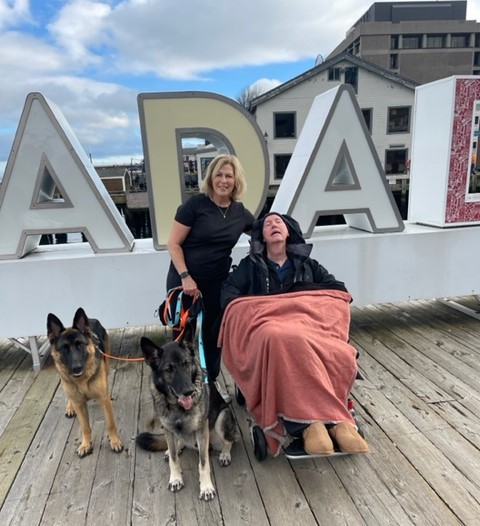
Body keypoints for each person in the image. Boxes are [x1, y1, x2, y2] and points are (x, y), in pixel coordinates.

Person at [219, 212, 369, 457]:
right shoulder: (249, 267)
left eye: (279, 222)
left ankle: (336, 422)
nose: (274, 225)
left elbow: (338, 292)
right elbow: (229, 297)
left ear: (289, 232)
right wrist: (257, 312)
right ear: (262, 237)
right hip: (269, 331)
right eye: (268, 224)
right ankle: (303, 426)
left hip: (308, 328)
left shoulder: (309, 266)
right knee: (278, 337)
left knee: (331, 349)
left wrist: (305, 303)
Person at [166, 154, 255, 383]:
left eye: (228, 175)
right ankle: (180, 384)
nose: (223, 180)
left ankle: (210, 381)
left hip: (217, 282)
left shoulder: (240, 212)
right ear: (210, 178)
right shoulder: (195, 205)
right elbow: (173, 244)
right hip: (184, 279)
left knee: (213, 334)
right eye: (219, 174)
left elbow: (263, 233)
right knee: (182, 335)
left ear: (236, 181)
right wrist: (186, 277)